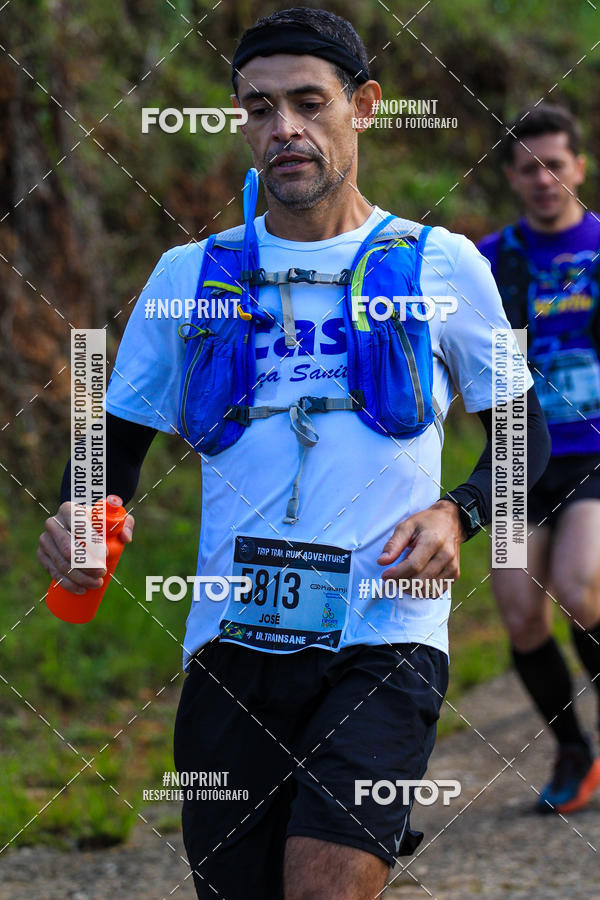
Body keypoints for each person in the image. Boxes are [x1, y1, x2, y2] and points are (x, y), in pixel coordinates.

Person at [38, 8, 549, 898]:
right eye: (259, 108)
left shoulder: (443, 264)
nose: (285, 130)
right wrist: (82, 525)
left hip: (385, 634)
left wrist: (457, 514)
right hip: (231, 646)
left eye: (310, 104)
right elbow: (108, 449)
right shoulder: (189, 276)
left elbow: (524, 437)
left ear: (365, 107)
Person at [479, 103, 600, 814]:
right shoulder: (492, 258)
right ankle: (573, 751)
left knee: (579, 589)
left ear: (579, 166)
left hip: (593, 451)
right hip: (517, 452)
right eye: (529, 167)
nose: (544, 178)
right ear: (511, 176)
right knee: (521, 609)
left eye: (556, 164)